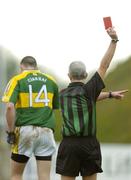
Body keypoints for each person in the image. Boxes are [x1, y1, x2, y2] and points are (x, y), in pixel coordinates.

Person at [56, 27, 127, 180]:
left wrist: (108, 95)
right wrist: (114, 40)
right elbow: (104, 65)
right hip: (89, 144)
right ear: (86, 74)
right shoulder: (89, 91)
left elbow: (85, 99)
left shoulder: (61, 95)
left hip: (68, 145)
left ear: (68, 75)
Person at [2, 56, 59, 180]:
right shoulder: (51, 80)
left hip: (25, 131)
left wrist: (11, 132)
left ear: (21, 66)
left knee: (16, 175)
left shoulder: (17, 79)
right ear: (36, 67)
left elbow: (10, 108)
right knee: (44, 176)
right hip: (46, 132)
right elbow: (53, 108)